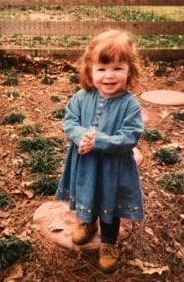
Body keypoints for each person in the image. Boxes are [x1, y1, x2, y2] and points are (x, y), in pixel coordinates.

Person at [56, 29, 144, 273]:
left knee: (108, 202)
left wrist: (99, 141)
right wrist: (80, 136)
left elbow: (130, 136)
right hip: (85, 163)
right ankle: (87, 223)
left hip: (112, 169)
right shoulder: (82, 97)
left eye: (117, 68)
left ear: (130, 71)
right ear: (89, 70)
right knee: (86, 193)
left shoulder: (130, 105)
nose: (109, 76)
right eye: (102, 69)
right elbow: (70, 121)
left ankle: (109, 243)